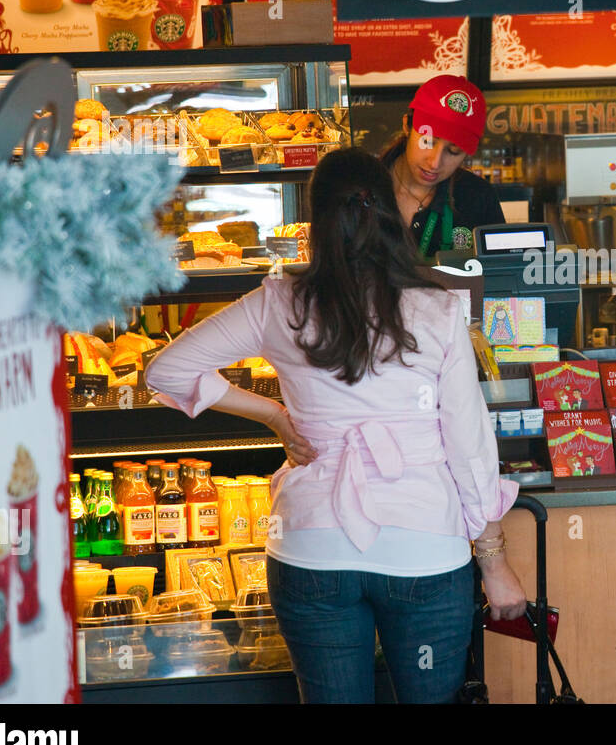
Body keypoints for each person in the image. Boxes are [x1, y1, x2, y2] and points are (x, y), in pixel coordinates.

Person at [146, 148, 527, 704]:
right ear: (391, 213)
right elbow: (468, 446)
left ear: (315, 220)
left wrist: (274, 414)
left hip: (312, 546)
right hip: (423, 548)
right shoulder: (438, 311)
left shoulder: (278, 303)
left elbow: (166, 370)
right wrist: (494, 562)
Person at [381, 74, 505, 257]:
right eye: (428, 141)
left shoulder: (477, 198)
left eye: (453, 151)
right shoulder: (362, 188)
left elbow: (500, 273)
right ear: (407, 125)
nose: (435, 162)